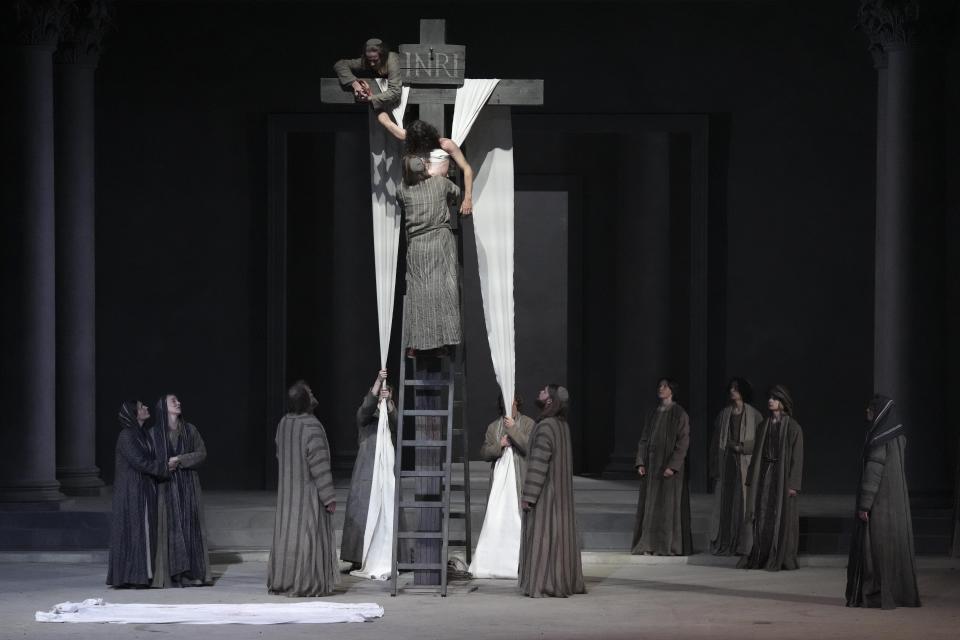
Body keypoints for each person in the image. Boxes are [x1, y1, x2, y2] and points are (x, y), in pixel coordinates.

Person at [845, 394, 920, 609]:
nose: (867, 412)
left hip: (880, 505)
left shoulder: (880, 439)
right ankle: (899, 594)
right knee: (895, 549)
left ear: (879, 411)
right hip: (896, 505)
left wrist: (864, 505)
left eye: (870, 409)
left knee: (876, 551)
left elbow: (874, 472)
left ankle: (877, 594)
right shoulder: (898, 436)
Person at [268, 381, 338, 596]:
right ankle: (306, 583)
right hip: (308, 495)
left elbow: (280, 454)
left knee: (287, 536)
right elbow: (320, 466)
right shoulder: (311, 426)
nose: (313, 393)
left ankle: (283, 580)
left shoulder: (283, 423)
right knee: (308, 538)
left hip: (288, 494)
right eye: (310, 392)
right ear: (305, 400)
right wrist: (329, 498)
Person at [519, 384, 585, 597]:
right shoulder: (562, 426)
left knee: (544, 539)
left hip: (547, 496)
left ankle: (545, 583)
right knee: (558, 540)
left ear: (550, 400)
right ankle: (563, 581)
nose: (540, 392)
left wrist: (529, 495)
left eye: (545, 391)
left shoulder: (546, 426)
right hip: (561, 497)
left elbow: (539, 463)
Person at [399, 152, 464, 354]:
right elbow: (457, 192)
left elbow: (401, 201)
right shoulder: (440, 183)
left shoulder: (402, 189)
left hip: (417, 245)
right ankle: (444, 341)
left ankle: (417, 344)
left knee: (419, 291)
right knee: (444, 289)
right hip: (439, 241)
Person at [469, 392, 535, 578]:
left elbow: (529, 447)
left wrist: (514, 430)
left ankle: (519, 564)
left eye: (512, 401)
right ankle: (494, 564)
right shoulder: (493, 427)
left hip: (518, 480)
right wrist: (500, 444)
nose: (510, 405)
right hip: (499, 483)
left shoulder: (528, 423)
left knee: (517, 519)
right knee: (497, 519)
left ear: (517, 403)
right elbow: (484, 453)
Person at [738, 385, 803, 571]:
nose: (770, 401)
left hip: (781, 477)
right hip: (765, 473)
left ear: (783, 402)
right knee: (762, 514)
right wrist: (751, 478)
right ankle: (761, 553)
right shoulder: (763, 426)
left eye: (775, 398)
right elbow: (758, 452)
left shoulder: (793, 427)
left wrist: (793, 484)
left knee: (780, 515)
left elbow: (797, 458)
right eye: (770, 398)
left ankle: (779, 555)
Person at [151, 394, 211, 587]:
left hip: (188, 485)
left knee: (189, 528)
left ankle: (192, 572)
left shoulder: (190, 430)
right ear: (163, 407)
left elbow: (201, 453)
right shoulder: (154, 434)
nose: (178, 403)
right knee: (172, 529)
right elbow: (149, 460)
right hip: (166, 486)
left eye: (178, 400)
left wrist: (180, 460)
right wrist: (163, 465)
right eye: (173, 401)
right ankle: (175, 574)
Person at [107, 401, 169, 588]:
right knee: (133, 532)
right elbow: (139, 461)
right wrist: (164, 468)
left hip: (144, 489)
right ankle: (131, 577)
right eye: (142, 407)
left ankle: (143, 575)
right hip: (131, 492)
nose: (146, 408)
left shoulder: (143, 434)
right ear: (134, 414)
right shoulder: (126, 435)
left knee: (144, 532)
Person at [340, 369, 395, 570]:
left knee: (387, 513)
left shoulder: (390, 418)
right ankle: (357, 556)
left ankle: (389, 554)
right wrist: (378, 381)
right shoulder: (365, 419)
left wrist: (389, 403)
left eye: (386, 391)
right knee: (363, 514)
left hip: (386, 474)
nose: (381, 394)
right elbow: (365, 408)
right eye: (380, 392)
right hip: (366, 474)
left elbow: (398, 423)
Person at [631, 378, 692, 556]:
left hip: (668, 467)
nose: (661, 388)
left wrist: (673, 465)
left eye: (664, 386)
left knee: (667, 507)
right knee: (650, 506)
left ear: (672, 390)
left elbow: (683, 442)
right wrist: (641, 461)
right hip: (652, 466)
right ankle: (648, 545)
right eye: (659, 386)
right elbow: (643, 439)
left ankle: (666, 546)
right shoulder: (652, 413)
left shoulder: (680, 413)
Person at [708, 377, 762, 555]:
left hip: (744, 465)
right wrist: (715, 466)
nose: (732, 391)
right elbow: (716, 443)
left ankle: (742, 544)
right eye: (731, 388)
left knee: (742, 504)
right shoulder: (724, 414)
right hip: (727, 464)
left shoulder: (754, 415)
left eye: (736, 388)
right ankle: (725, 543)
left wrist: (742, 447)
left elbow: (761, 442)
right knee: (726, 503)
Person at [377, 118, 474, 215]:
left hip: (438, 195)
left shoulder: (445, 144)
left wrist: (467, 199)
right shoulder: (412, 138)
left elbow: (467, 169)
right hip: (417, 195)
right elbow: (388, 123)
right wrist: (376, 104)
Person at [333, 38, 402, 111]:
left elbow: (395, 91)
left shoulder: (392, 60)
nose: (372, 64)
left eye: (375, 60)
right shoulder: (366, 61)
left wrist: (369, 98)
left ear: (383, 56)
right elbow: (340, 65)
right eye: (369, 60)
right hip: (380, 102)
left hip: (397, 103)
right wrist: (354, 83)